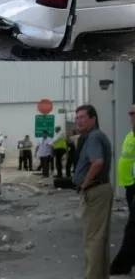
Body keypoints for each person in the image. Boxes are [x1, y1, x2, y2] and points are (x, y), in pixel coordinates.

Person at [73, 104, 113, 279]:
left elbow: (97, 162)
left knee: (93, 239)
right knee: (99, 238)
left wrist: (85, 184)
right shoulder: (93, 136)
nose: (79, 121)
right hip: (100, 189)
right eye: (77, 118)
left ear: (93, 119)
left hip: (95, 189)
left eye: (82, 117)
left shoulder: (94, 137)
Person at [110, 104, 135, 275]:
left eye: (134, 113)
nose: (131, 116)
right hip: (130, 185)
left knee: (132, 227)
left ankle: (123, 263)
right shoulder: (130, 135)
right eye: (130, 113)